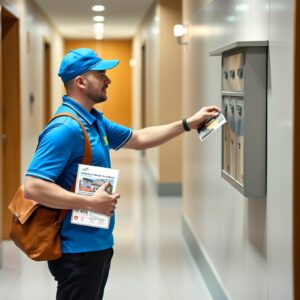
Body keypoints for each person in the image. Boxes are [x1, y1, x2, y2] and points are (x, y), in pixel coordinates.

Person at [24, 48, 220, 300]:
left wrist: (187, 124)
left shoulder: (94, 121)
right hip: (77, 250)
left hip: (97, 242)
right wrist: (89, 202)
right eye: (101, 74)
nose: (108, 80)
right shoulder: (65, 128)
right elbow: (34, 186)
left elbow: (138, 138)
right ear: (80, 82)